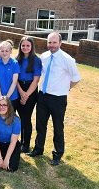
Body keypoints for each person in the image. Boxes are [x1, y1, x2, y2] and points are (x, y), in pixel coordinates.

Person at [28, 32, 81, 166]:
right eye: (49, 42)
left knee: (58, 126)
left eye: (54, 42)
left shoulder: (67, 59)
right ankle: (38, 149)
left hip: (58, 99)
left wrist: (65, 88)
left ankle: (57, 154)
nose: (51, 45)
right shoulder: (44, 56)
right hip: (43, 96)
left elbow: (76, 78)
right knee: (40, 125)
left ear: (60, 43)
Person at [16, 36, 42, 153]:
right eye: (23, 45)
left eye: (28, 45)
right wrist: (21, 93)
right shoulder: (17, 59)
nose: (25, 47)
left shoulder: (36, 60)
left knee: (26, 118)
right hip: (18, 87)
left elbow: (36, 80)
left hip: (30, 89)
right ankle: (19, 141)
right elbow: (15, 78)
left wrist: (26, 95)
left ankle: (26, 144)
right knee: (19, 117)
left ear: (31, 47)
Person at [0, 96, 21, 172]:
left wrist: (7, 159)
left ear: (9, 106)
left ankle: (9, 156)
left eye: (4, 105)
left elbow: (13, 141)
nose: (1, 107)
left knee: (11, 167)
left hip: (11, 144)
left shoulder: (16, 120)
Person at [0, 40, 20, 112]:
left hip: (12, 97)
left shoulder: (15, 63)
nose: (4, 53)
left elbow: (14, 82)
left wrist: (6, 98)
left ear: (11, 51)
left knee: (10, 119)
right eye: (2, 51)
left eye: (7, 51)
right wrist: (0, 97)